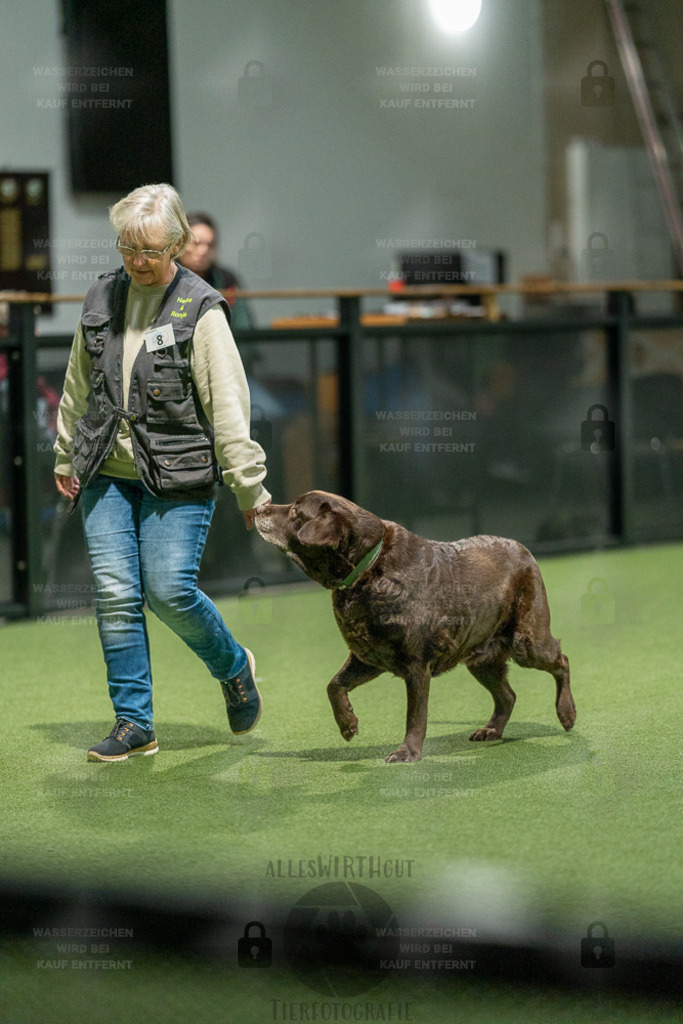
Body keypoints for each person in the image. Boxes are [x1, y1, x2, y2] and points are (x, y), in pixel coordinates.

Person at [53, 183, 271, 763]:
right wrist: (64, 453)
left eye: (151, 250)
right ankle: (134, 722)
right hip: (105, 468)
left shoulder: (201, 308)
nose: (138, 261)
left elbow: (228, 404)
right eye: (128, 248)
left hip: (180, 474)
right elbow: (78, 384)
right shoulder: (100, 298)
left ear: (176, 244)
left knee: (169, 590)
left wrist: (249, 487)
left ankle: (233, 666)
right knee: (116, 595)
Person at [178, 212, 254, 330]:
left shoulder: (226, 281)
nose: (203, 251)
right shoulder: (163, 278)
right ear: (179, 243)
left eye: (210, 245)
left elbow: (243, 328)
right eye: (196, 243)